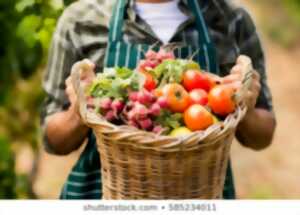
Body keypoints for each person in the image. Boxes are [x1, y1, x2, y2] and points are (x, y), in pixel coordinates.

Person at [41, 0, 276, 199]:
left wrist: (246, 105)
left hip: (201, 191)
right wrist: (80, 109)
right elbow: (53, 140)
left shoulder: (231, 19)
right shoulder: (80, 20)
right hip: (103, 193)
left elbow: (262, 136)